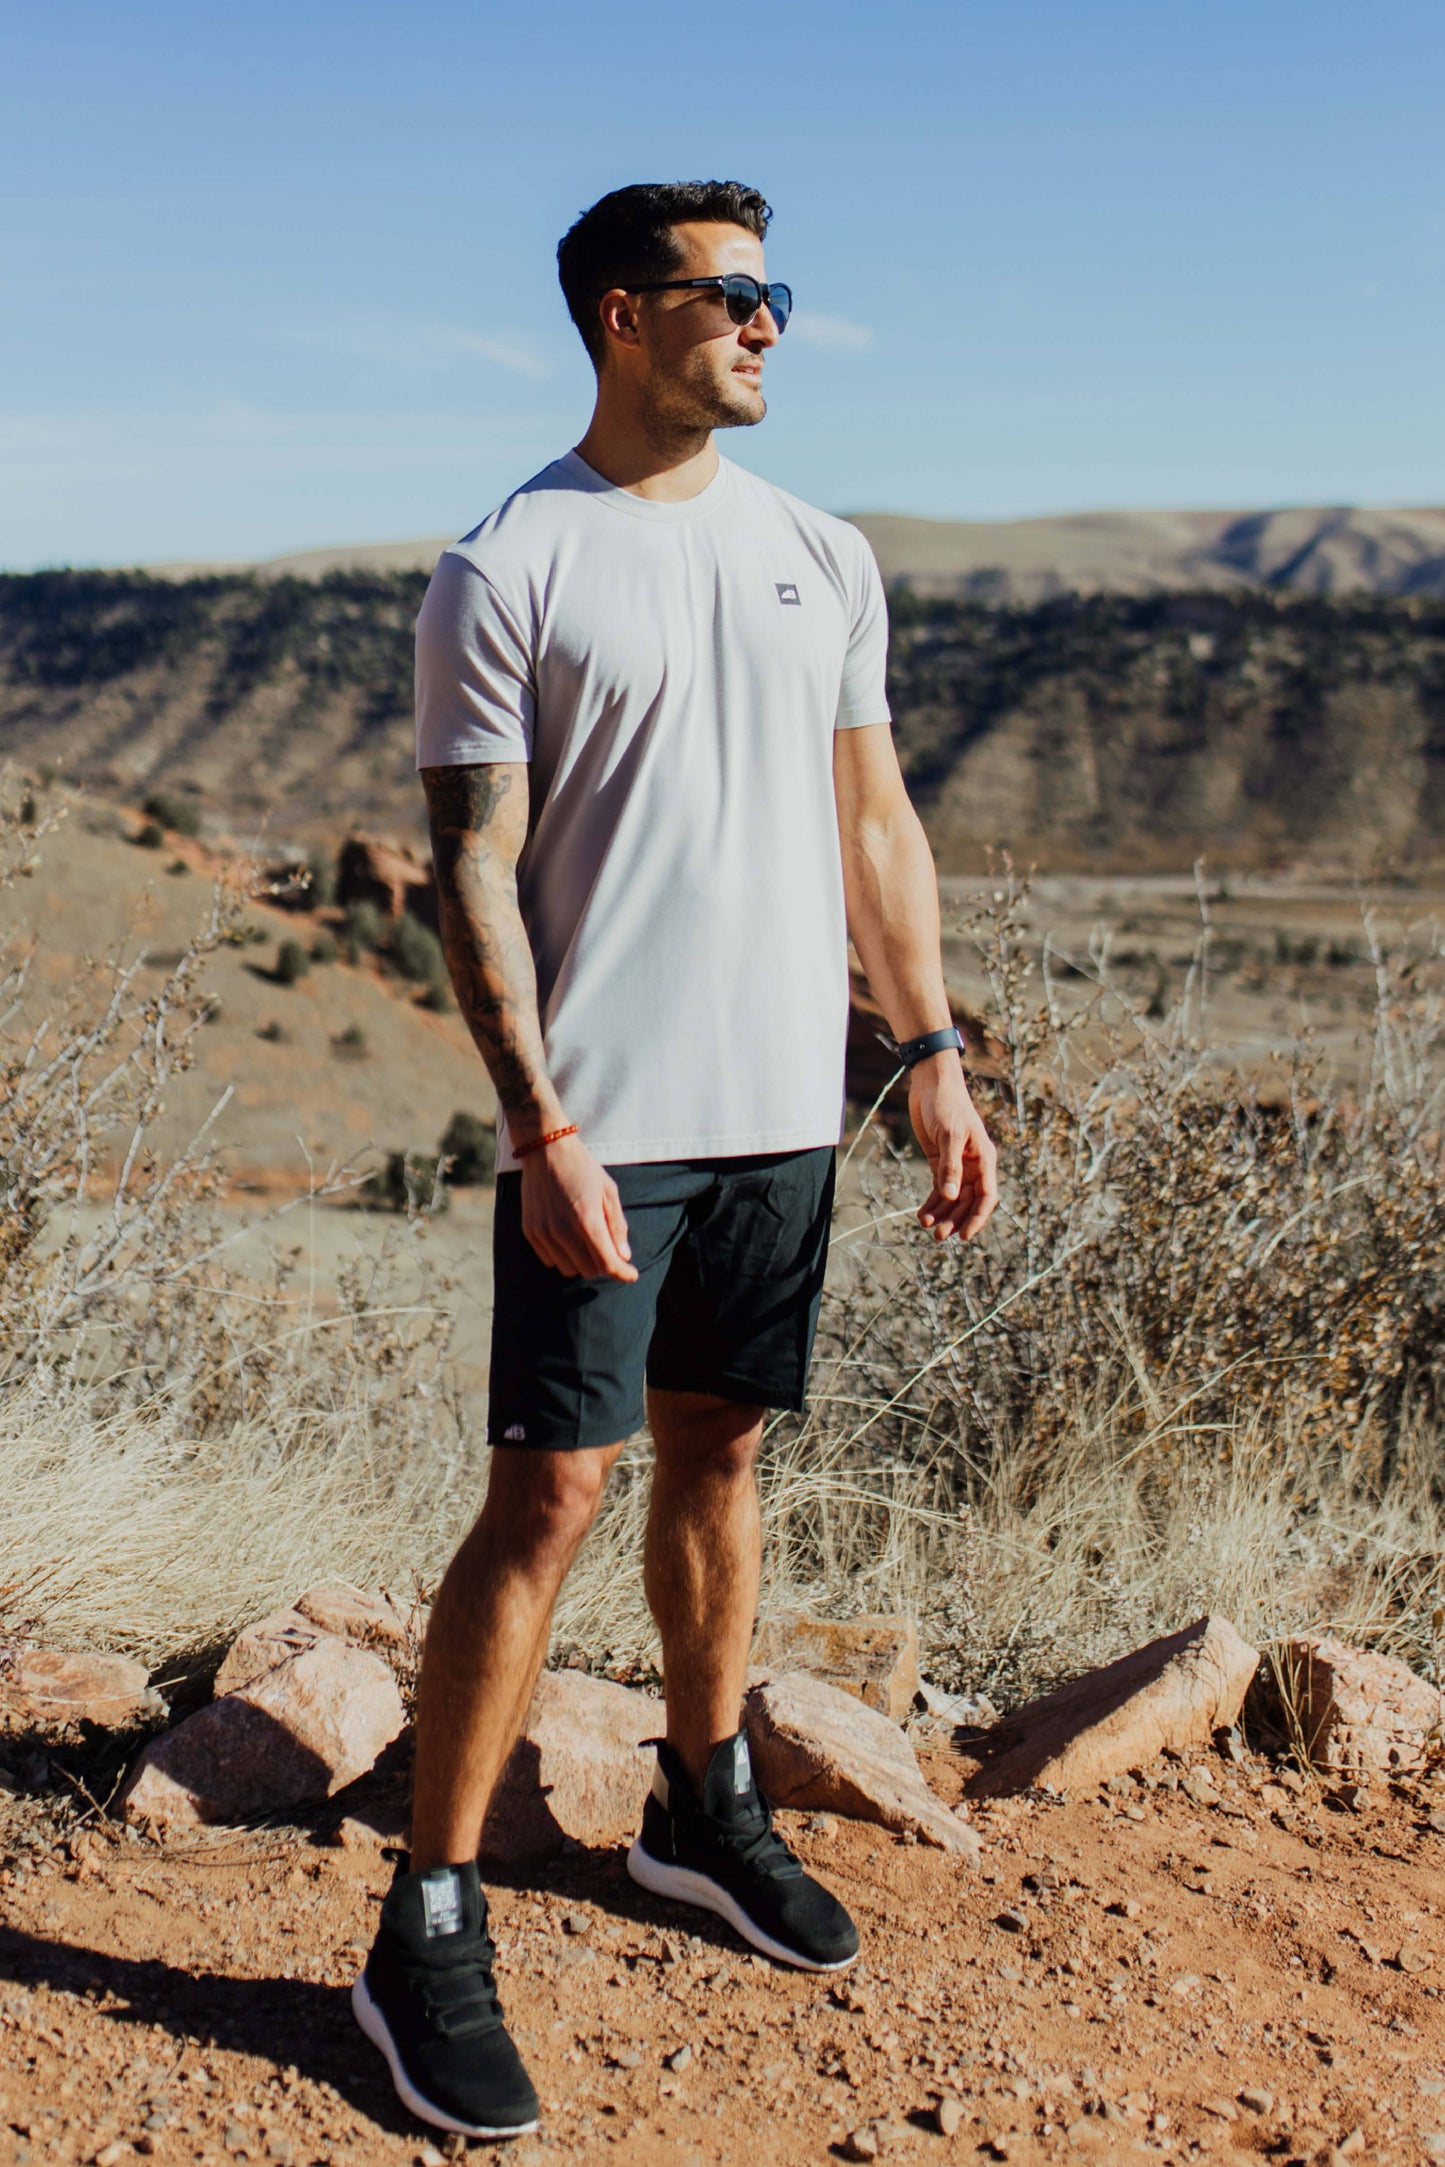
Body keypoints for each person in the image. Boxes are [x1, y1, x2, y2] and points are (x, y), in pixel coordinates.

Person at [350, 178, 998, 2142]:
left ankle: (703, 1809)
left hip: (785, 1114)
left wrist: (935, 1052)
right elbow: (473, 867)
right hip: (604, 1128)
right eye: (738, 296)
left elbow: (872, 821)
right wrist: (539, 1120)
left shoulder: (824, 553)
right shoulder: (507, 565)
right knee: (551, 1493)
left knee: (721, 1451)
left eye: (779, 294)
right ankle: (426, 1921)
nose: (774, 325)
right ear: (625, 317)